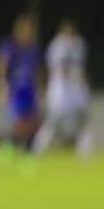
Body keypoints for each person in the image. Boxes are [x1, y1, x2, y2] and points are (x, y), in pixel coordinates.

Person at [34, 19, 92, 157]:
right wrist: (74, 74)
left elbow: (81, 67)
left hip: (76, 90)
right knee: (52, 124)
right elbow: (58, 67)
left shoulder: (79, 44)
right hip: (61, 90)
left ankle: (85, 156)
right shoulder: (57, 45)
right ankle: (36, 152)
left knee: (83, 122)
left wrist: (82, 79)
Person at [0, 12, 44, 153]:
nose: (28, 32)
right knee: (20, 124)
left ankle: (27, 152)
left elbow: (38, 71)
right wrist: (0, 84)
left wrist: (40, 90)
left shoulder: (33, 49)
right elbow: (0, 65)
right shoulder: (10, 46)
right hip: (16, 90)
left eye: (30, 29)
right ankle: (7, 149)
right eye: (26, 29)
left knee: (34, 123)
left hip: (30, 90)